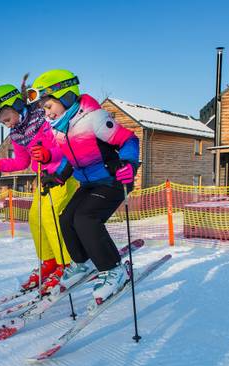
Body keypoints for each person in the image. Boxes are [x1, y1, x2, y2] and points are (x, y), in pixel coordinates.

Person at [27, 69, 139, 305]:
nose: (46, 113)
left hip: (112, 181)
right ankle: (82, 263)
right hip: (88, 183)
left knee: (86, 219)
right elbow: (69, 157)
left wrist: (129, 164)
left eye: (48, 106)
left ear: (66, 96)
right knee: (66, 218)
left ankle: (115, 270)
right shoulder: (60, 126)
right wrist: (57, 177)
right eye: (44, 109)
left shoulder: (94, 118)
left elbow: (128, 140)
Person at [0, 82, 79, 293]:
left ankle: (67, 264)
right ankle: (50, 261)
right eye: (1, 122)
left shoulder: (44, 117)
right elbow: (21, 162)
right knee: (35, 217)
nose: (6, 124)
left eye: (6, 118)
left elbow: (67, 143)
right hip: (44, 178)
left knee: (49, 216)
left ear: (16, 105)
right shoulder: (17, 133)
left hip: (64, 173)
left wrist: (49, 154)